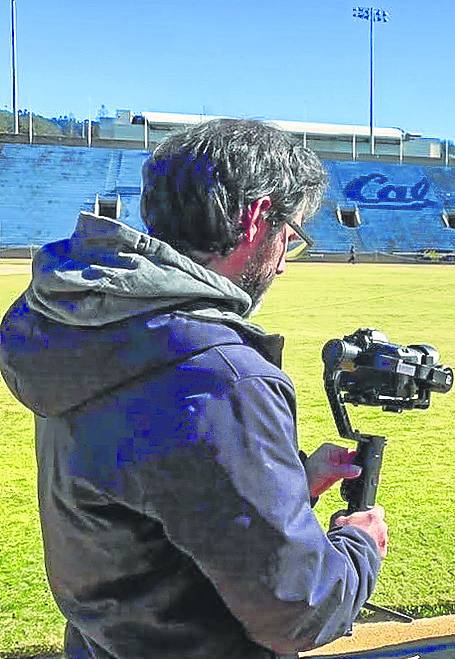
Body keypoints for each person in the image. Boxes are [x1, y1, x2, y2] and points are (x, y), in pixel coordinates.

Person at [0, 119, 388, 659]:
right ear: (257, 218)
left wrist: (291, 484)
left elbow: (150, 492)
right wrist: (360, 544)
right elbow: (297, 609)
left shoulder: (90, 327)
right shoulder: (225, 376)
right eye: (289, 237)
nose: (282, 264)